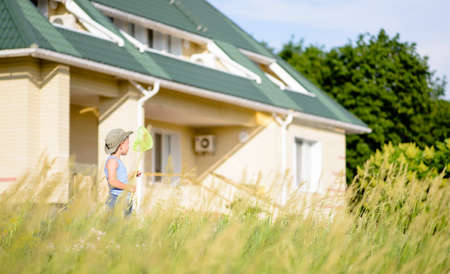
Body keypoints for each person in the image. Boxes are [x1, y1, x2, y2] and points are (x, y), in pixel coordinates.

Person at [104, 128, 141, 215]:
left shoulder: (117, 161)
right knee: (116, 226)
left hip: (124, 199)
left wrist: (132, 174)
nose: (129, 146)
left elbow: (120, 180)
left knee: (125, 226)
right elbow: (112, 181)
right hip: (117, 199)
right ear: (121, 145)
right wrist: (129, 187)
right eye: (128, 143)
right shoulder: (112, 161)